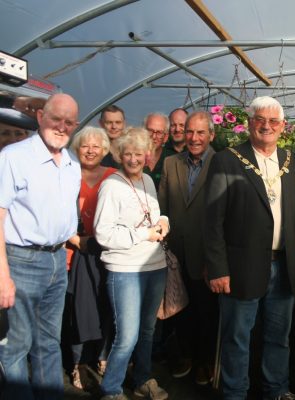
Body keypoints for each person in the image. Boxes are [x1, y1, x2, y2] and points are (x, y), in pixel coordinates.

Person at [204, 96, 295, 400]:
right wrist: (218, 268)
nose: (267, 126)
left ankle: (276, 389)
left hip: (284, 265)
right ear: (249, 123)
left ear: (282, 126)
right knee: (237, 338)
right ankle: (235, 393)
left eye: (274, 121)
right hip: (241, 266)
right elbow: (212, 221)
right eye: (260, 119)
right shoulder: (227, 159)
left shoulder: (292, 159)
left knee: (279, 337)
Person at [0, 93, 82, 399]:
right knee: (17, 345)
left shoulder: (71, 161)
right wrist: (2, 275)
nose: (61, 126)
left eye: (69, 122)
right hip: (20, 261)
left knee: (49, 341)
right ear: (40, 118)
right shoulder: (14, 157)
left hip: (56, 260)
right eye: (55, 118)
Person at [94, 127, 169, 400]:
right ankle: (111, 389)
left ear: (146, 155)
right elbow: (103, 233)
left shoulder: (147, 181)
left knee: (147, 330)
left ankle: (142, 379)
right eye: (128, 154)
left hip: (154, 265)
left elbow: (156, 213)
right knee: (126, 335)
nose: (134, 159)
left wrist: (164, 222)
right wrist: (144, 234)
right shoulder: (111, 185)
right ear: (119, 155)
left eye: (139, 153)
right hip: (125, 270)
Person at [157, 110, 217, 384]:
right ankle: (186, 355)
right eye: (190, 132)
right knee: (180, 309)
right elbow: (163, 208)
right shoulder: (171, 163)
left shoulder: (223, 164)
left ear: (211, 135)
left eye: (200, 132)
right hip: (177, 254)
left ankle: (205, 362)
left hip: (207, 255)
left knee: (206, 312)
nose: (194, 138)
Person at [64, 126, 116, 389]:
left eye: (97, 146)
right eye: (85, 145)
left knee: (106, 308)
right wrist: (73, 238)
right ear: (77, 148)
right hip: (74, 254)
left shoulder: (113, 176)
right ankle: (76, 363)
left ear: (105, 150)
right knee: (78, 311)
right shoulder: (67, 174)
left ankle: (102, 357)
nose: (91, 150)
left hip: (106, 254)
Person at [144, 112, 175, 187]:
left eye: (159, 132)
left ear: (165, 137)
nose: (154, 136)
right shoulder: (133, 156)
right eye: (150, 131)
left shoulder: (173, 159)